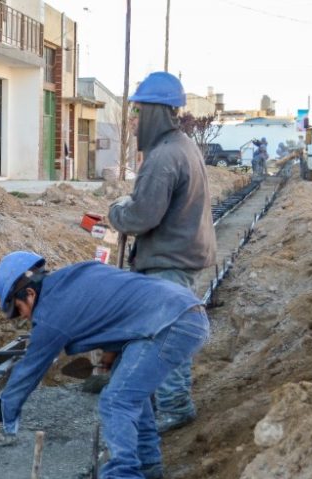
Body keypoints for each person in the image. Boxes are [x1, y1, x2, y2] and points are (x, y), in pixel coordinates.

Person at [0, 251, 210, 479]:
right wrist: (111, 352)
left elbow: (29, 371)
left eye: (19, 311)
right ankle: (146, 463)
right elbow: (117, 304)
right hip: (180, 312)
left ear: (30, 294)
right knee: (129, 389)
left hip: (171, 324)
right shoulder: (77, 274)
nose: (24, 319)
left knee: (116, 401)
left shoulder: (50, 315)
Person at [107, 72, 215, 434]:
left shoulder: (164, 157)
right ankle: (165, 400)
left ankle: (174, 406)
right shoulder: (183, 146)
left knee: (167, 336)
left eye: (138, 113)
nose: (135, 121)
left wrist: (117, 212)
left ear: (155, 112)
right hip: (182, 255)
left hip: (169, 261)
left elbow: (142, 216)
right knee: (169, 331)